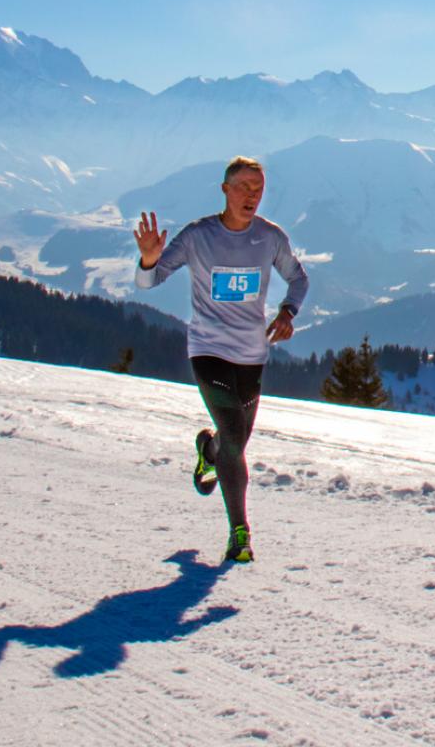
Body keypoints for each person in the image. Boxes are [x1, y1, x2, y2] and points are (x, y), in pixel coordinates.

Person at [134, 155, 308, 565]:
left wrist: (287, 312)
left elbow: (298, 278)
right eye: (244, 187)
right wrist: (148, 258)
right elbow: (149, 281)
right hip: (208, 350)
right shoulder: (198, 236)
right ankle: (240, 533)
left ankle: (208, 452)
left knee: (234, 442)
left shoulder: (270, 237)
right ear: (225, 190)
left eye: (258, 189)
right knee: (233, 431)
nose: (252, 195)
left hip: (252, 354)